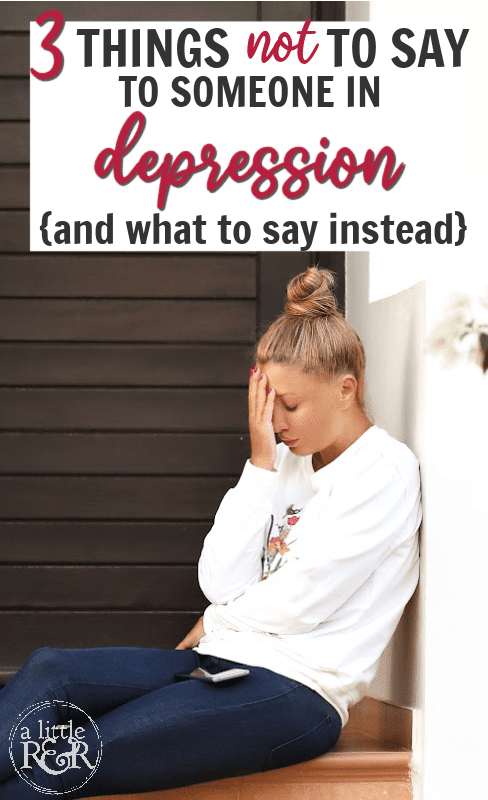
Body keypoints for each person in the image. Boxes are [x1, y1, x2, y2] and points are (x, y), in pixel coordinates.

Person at [0, 267, 421, 799]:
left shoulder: (383, 472)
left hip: (296, 694)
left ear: (345, 390)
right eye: (270, 406)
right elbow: (219, 580)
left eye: (289, 406)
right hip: (223, 661)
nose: (277, 423)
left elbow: (300, 605)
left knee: (65, 760)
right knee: (50, 672)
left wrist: (216, 620)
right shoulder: (287, 462)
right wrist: (260, 464)